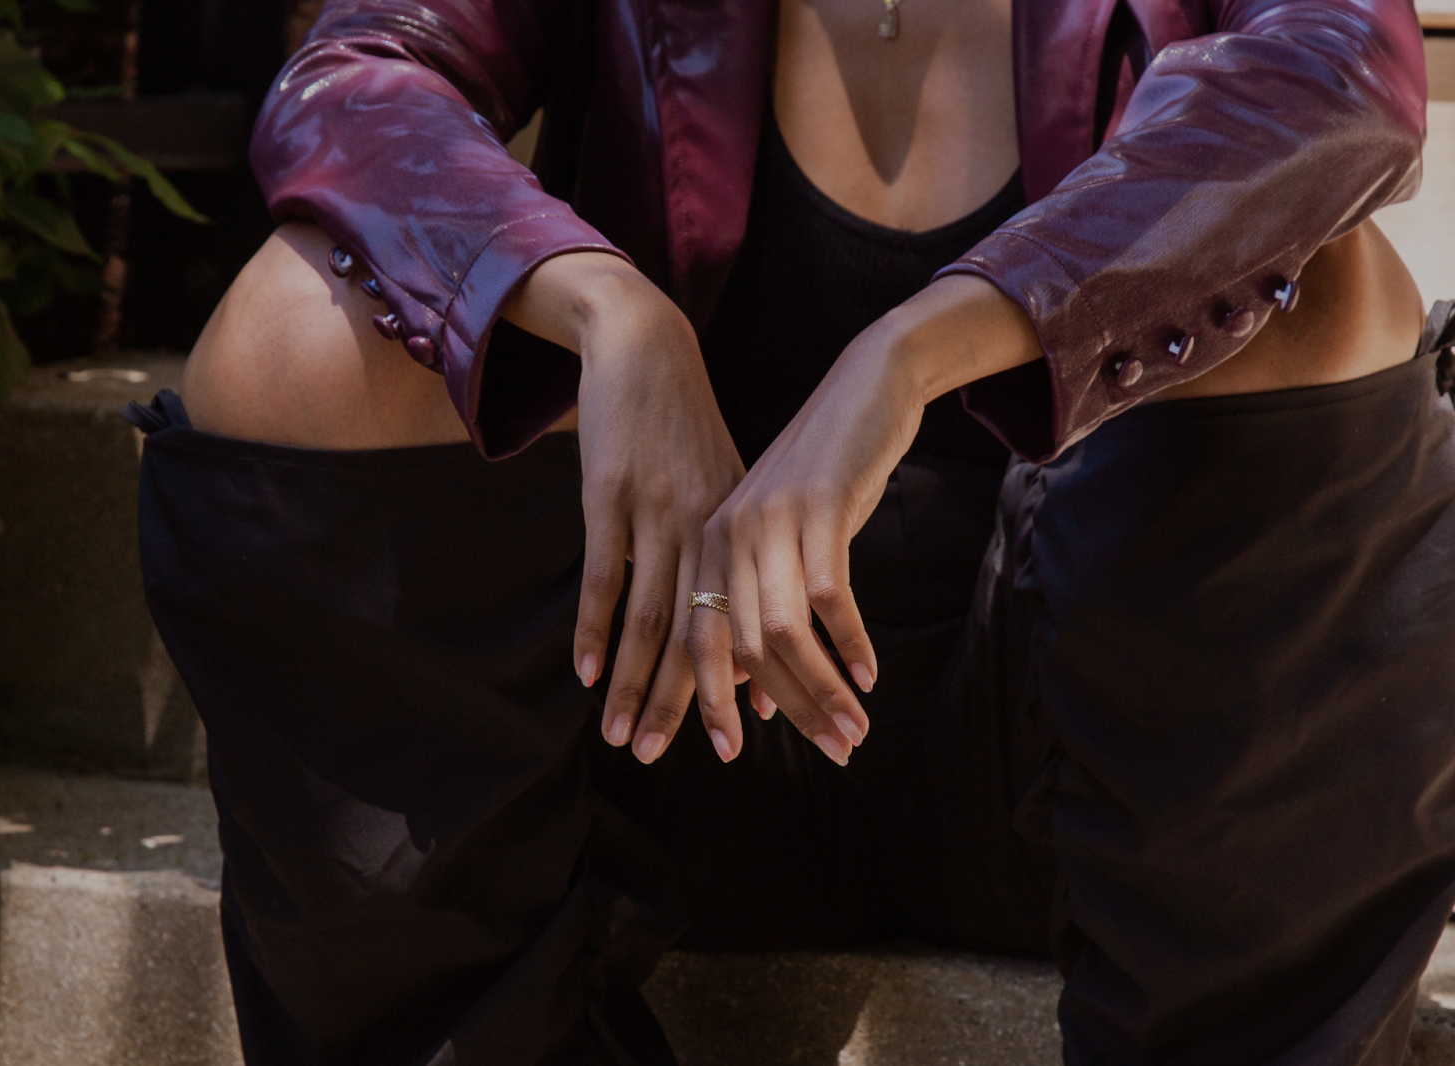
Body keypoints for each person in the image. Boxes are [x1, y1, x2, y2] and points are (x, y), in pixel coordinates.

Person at [124, 0, 1455, 1061]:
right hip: (661, 692)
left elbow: (1343, 66)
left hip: (1098, 750)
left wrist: (919, 345)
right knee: (292, 331)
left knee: (1325, 289)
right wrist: (605, 307)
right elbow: (354, 82)